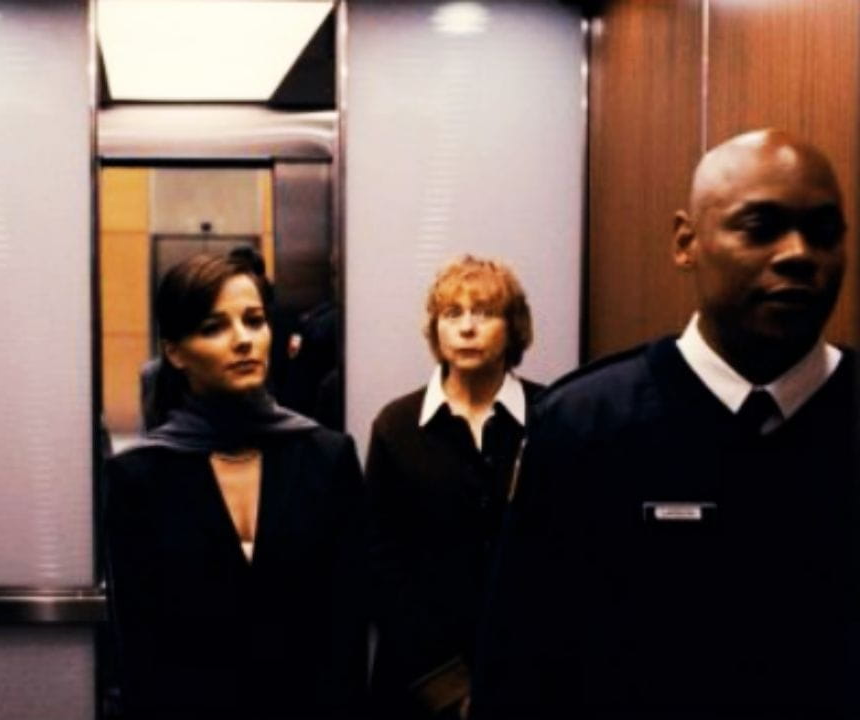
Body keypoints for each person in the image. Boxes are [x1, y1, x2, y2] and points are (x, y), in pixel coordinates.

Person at [473, 129, 857, 718]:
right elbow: (520, 668)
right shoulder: (584, 425)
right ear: (686, 242)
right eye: (760, 227)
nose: (799, 254)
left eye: (824, 232)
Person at [104, 252, 368, 719]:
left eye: (254, 321)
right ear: (175, 352)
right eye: (214, 327)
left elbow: (347, 630)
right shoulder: (140, 477)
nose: (244, 340)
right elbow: (138, 649)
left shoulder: (327, 458)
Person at [365, 256, 544, 719]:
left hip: (527, 671)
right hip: (417, 678)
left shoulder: (552, 416)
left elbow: (567, 554)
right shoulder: (396, 426)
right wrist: (444, 684)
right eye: (452, 313)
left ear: (513, 327)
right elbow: (380, 560)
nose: (467, 328)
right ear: (435, 329)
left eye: (484, 313)